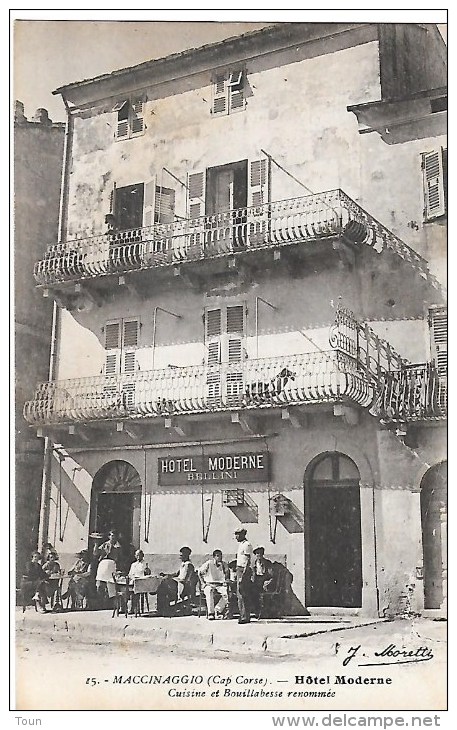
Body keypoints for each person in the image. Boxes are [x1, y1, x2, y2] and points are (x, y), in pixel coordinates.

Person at [156, 547, 196, 616]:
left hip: (183, 585)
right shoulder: (183, 564)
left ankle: (164, 609)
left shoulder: (189, 565)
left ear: (186, 555)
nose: (180, 557)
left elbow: (186, 579)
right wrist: (166, 575)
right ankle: (162, 609)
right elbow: (177, 574)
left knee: (164, 586)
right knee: (162, 587)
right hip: (177, 583)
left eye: (181, 555)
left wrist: (174, 579)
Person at [198, 550, 229, 620]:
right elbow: (199, 572)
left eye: (221, 556)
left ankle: (217, 610)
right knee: (209, 592)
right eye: (218, 556)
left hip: (220, 585)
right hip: (209, 584)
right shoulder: (209, 563)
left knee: (227, 593)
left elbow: (227, 575)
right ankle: (210, 613)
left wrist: (225, 581)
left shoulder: (224, 564)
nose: (220, 557)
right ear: (214, 557)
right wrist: (203, 583)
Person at [94, 529, 122, 602]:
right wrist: (96, 545)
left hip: (112, 565)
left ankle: (109, 602)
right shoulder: (105, 545)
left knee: (111, 584)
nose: (113, 537)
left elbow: (119, 558)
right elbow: (96, 553)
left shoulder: (118, 546)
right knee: (100, 584)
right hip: (103, 564)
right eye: (111, 536)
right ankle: (100, 602)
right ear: (109, 536)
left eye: (114, 536)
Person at [234, 526, 253, 624]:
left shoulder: (247, 545)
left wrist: (243, 575)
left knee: (243, 593)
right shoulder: (241, 545)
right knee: (240, 594)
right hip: (239, 569)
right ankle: (242, 615)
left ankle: (245, 617)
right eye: (236, 534)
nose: (236, 536)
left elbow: (247, 561)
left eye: (238, 534)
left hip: (243, 571)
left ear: (243, 534)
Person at [251, 546, 273, 618]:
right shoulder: (253, 564)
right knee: (253, 593)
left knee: (264, 594)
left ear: (262, 554)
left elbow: (271, 575)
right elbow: (252, 574)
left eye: (260, 553)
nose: (258, 555)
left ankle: (264, 612)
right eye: (257, 553)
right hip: (256, 580)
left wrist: (268, 581)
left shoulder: (267, 563)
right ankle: (257, 611)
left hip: (264, 579)